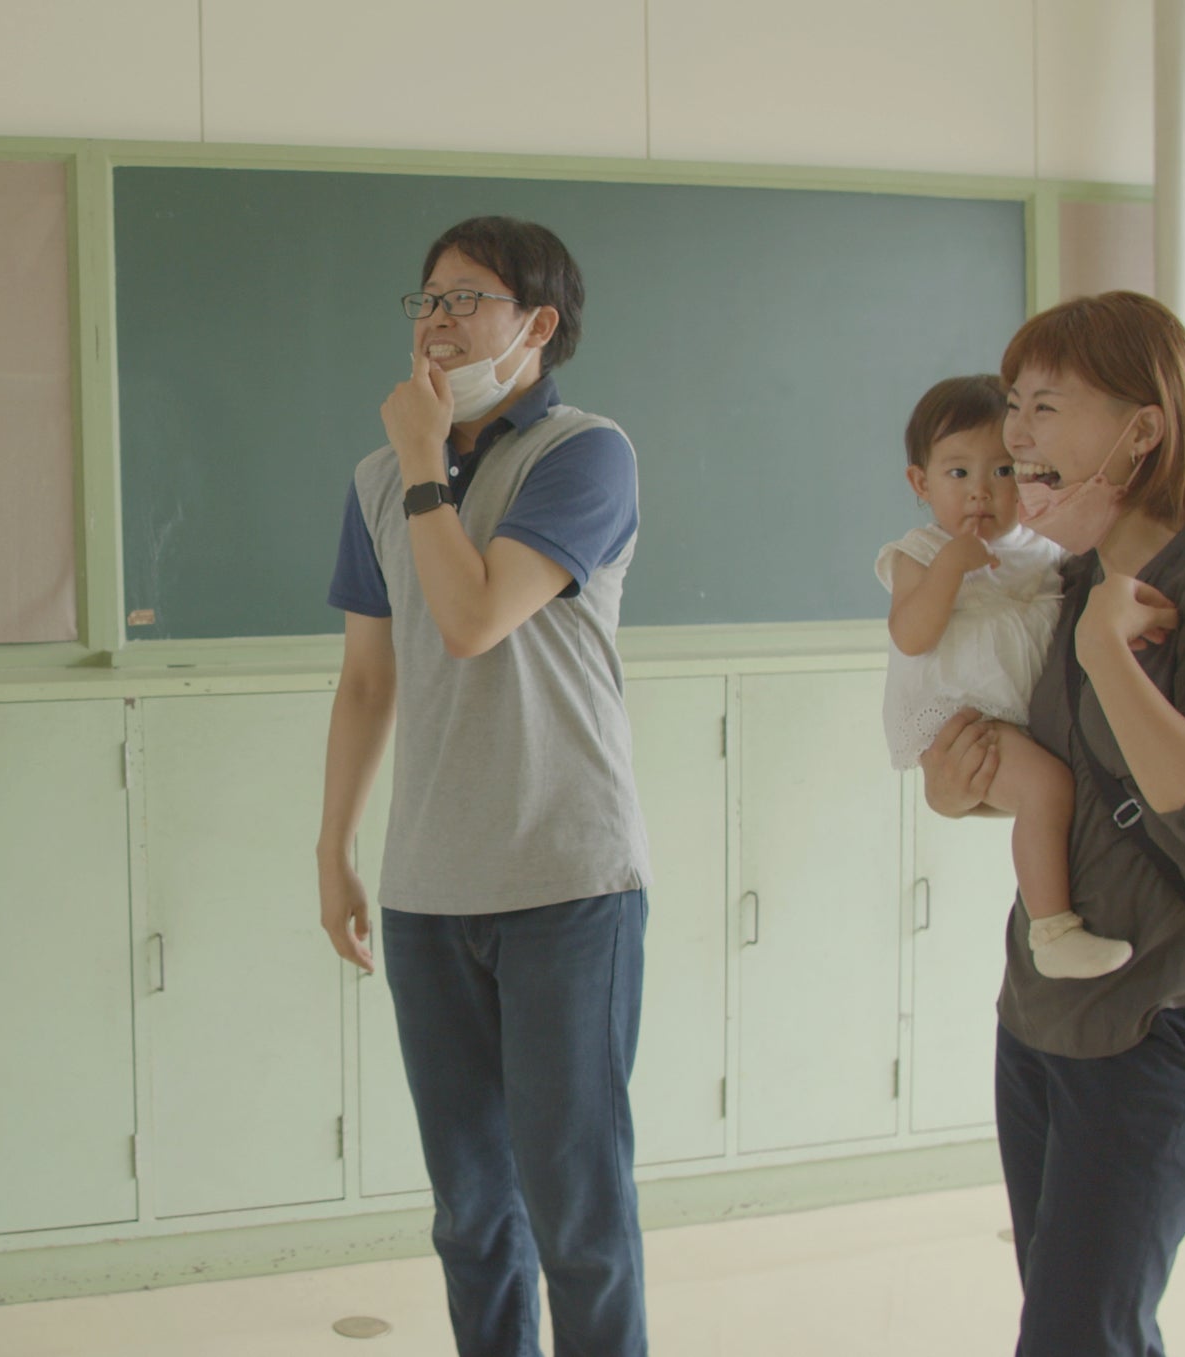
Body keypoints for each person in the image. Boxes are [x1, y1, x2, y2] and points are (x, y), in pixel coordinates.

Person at [922, 291, 1185, 1356]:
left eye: (1046, 405)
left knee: (1077, 1332)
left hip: (1163, 1018)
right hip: (1041, 1013)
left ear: (1143, 429)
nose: (1016, 435)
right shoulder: (1070, 578)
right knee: (1067, 1321)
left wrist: (1105, 653)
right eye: (1012, 405)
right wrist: (958, 788)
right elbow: (1061, 780)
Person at [317, 216, 649, 1355]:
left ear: (537, 324)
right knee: (470, 1212)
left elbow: (470, 619)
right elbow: (368, 681)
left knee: (577, 1214)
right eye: (426, 300)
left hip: (567, 879)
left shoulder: (583, 454)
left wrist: (424, 463)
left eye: (466, 299)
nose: (437, 323)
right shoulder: (376, 479)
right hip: (428, 891)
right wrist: (334, 849)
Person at [881, 374, 1124, 978]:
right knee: (1048, 790)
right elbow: (911, 635)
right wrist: (949, 568)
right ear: (921, 483)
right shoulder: (919, 552)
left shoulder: (1044, 550)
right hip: (965, 718)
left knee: (1052, 790)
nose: (981, 491)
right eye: (958, 472)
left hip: (1024, 720)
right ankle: (1053, 931)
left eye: (1003, 470)